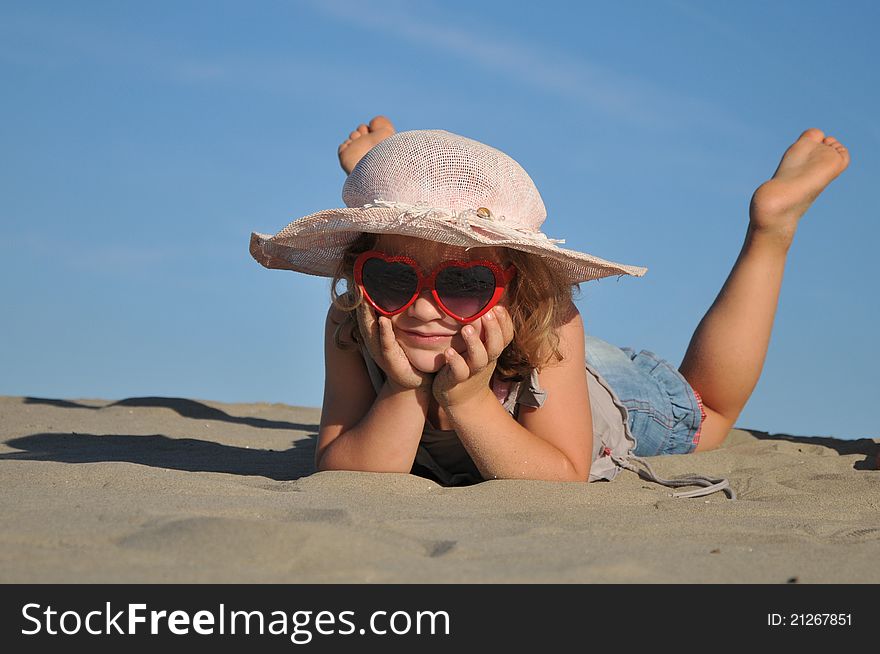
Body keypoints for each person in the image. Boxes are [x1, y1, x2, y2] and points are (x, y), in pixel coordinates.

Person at [250, 116, 849, 499]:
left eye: (463, 282)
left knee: (709, 415)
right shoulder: (355, 319)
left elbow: (563, 474)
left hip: (579, 385)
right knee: (425, 250)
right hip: (506, 343)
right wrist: (402, 392)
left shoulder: (550, 314)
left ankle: (771, 230)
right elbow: (343, 471)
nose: (425, 309)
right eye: (388, 274)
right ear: (360, 272)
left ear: (515, 285)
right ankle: (397, 183)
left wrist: (467, 399)